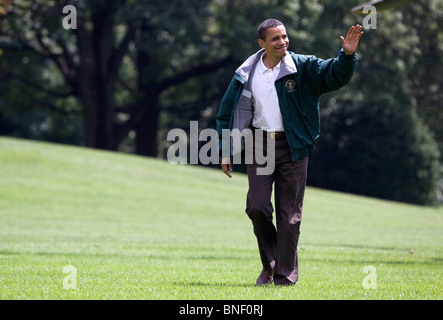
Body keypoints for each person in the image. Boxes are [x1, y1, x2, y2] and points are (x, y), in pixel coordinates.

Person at [216, 19, 363, 285]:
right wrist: (226, 150)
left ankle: (283, 275)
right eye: (275, 39)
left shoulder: (302, 66)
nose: (283, 42)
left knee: (289, 216)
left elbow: (333, 74)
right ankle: (270, 262)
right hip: (260, 145)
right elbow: (227, 113)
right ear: (262, 44)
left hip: (294, 145)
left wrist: (347, 55)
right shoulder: (246, 72)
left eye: (284, 36)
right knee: (257, 207)